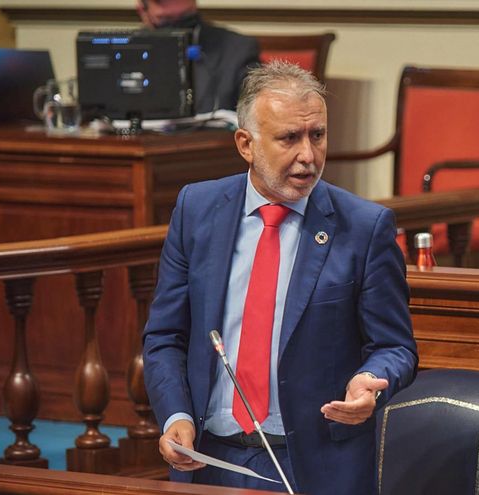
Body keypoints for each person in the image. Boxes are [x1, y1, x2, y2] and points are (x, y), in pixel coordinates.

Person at [142, 61, 418, 494]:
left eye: (318, 135)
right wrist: (175, 415)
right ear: (245, 144)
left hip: (313, 466)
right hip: (208, 460)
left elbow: (394, 346)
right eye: (289, 138)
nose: (308, 155)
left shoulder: (365, 227)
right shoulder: (197, 209)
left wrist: (372, 383)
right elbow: (164, 337)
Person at [137, 0, 260, 113]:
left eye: (187, 18)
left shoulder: (238, 49)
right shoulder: (129, 49)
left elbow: (255, 112)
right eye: (166, 20)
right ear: (142, 11)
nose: (179, 29)